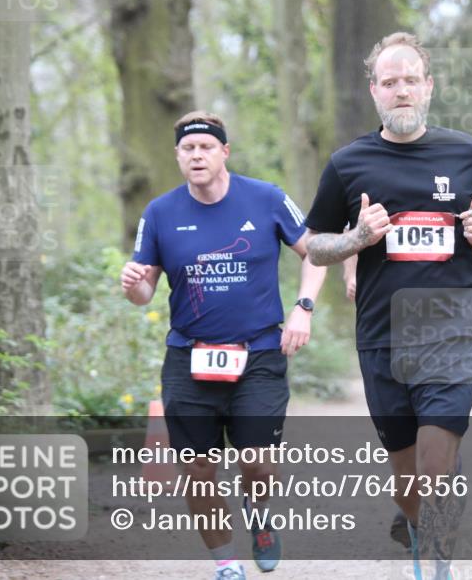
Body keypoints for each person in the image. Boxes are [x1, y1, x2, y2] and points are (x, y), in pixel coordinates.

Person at [303, 32, 472, 580]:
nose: (400, 91)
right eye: (389, 83)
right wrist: (354, 240)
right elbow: (312, 244)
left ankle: (435, 565)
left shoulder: (463, 151)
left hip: (450, 331)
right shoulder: (348, 165)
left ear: (428, 88)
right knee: (408, 478)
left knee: (436, 464)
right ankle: (419, 522)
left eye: (409, 81)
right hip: (382, 336)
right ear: (374, 92)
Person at [120, 111, 327, 580]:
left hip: (258, 353)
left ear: (224, 152)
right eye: (188, 149)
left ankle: (260, 517)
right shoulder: (159, 213)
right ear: (177, 157)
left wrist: (304, 308)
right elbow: (143, 292)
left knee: (257, 463)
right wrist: (131, 283)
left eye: (206, 147)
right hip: (188, 358)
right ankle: (226, 563)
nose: (197, 156)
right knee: (197, 472)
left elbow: (316, 251)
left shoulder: (266, 198)